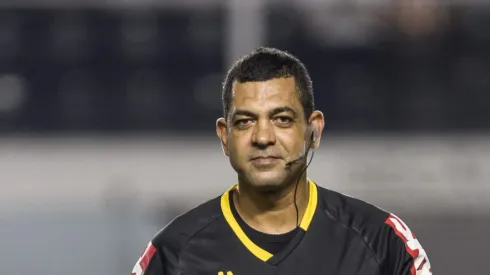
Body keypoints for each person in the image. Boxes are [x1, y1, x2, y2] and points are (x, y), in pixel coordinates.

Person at [130, 47, 433, 275]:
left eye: (282, 119)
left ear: (313, 130)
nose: (263, 137)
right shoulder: (175, 253)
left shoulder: (380, 241)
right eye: (246, 122)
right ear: (225, 136)